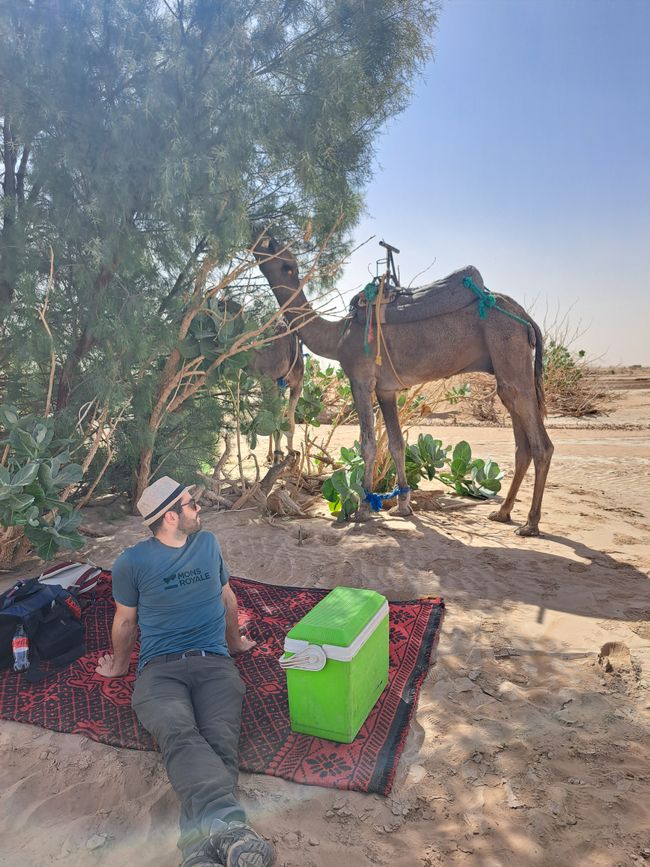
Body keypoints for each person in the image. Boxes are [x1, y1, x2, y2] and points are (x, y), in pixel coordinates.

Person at [96, 476, 275, 867]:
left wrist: (234, 643)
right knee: (178, 732)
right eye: (191, 503)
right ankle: (230, 829)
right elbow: (125, 621)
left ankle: (197, 852)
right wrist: (120, 665)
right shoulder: (132, 562)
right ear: (170, 517)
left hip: (214, 663)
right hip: (160, 672)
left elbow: (226, 596)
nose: (199, 507)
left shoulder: (208, 545)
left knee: (218, 742)